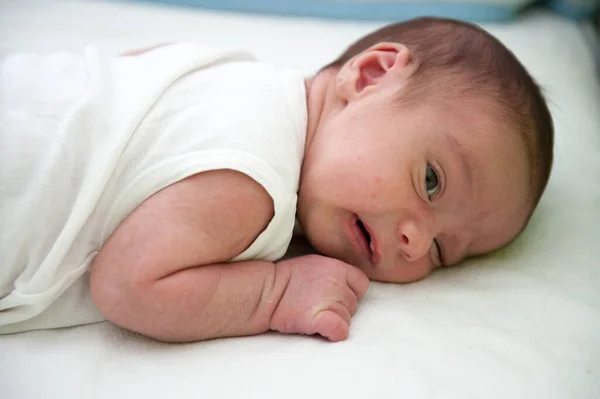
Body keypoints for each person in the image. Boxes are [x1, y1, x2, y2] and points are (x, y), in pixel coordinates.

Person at [0, 17, 553, 342]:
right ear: (371, 74)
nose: (414, 241)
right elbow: (127, 283)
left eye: (441, 252)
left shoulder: (237, 70)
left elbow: (133, 68)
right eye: (432, 181)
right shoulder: (256, 177)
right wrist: (273, 293)